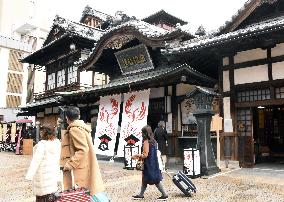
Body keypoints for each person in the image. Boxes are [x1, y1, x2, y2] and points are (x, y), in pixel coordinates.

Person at [61, 106, 108, 201]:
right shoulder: (82, 127)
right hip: (85, 165)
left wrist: (70, 164)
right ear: (78, 116)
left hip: (79, 169)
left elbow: (82, 149)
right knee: (89, 193)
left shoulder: (75, 129)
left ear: (67, 118)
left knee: (82, 194)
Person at [25, 124, 61, 202]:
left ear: (44, 133)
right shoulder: (57, 143)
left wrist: (29, 176)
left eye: (41, 131)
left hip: (43, 176)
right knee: (51, 196)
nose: (40, 133)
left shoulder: (42, 145)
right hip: (52, 175)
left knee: (41, 198)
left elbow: (36, 161)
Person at [132, 125, 168, 201]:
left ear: (145, 133)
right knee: (146, 179)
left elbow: (145, 155)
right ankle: (141, 195)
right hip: (154, 162)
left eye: (142, 132)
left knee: (154, 179)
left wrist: (136, 155)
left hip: (148, 163)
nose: (141, 134)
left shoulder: (146, 142)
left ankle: (164, 195)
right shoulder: (154, 141)